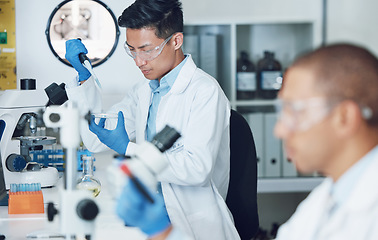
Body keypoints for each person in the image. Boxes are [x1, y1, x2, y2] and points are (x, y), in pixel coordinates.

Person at [117, 43, 378, 240]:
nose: (278, 130)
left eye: (295, 112)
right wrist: (162, 231)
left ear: (344, 117)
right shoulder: (324, 201)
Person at [64, 0, 240, 239]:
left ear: (176, 41)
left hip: (194, 224)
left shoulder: (205, 91)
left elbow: (197, 170)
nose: (139, 61)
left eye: (147, 50)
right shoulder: (144, 91)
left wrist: (128, 148)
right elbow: (96, 140)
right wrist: (84, 75)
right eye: (132, 50)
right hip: (151, 219)